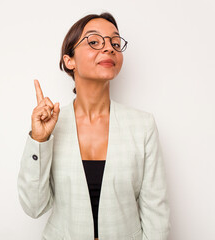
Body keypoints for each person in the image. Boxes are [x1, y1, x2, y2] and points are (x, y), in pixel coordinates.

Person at [17, 12, 171, 240]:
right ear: (69, 61)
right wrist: (39, 141)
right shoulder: (52, 126)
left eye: (115, 43)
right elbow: (34, 207)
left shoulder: (142, 126)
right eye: (94, 41)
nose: (109, 48)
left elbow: (156, 215)